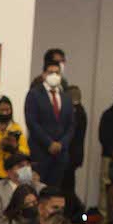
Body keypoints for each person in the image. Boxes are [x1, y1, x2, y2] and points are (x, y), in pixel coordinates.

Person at [25, 61, 76, 189]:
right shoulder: (34, 94)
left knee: (54, 191)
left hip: (60, 155)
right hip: (40, 152)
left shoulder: (66, 97)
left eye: (57, 73)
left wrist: (61, 144)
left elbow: (71, 125)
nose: (54, 75)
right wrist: (49, 143)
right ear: (43, 75)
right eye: (50, 72)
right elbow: (32, 122)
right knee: (36, 189)